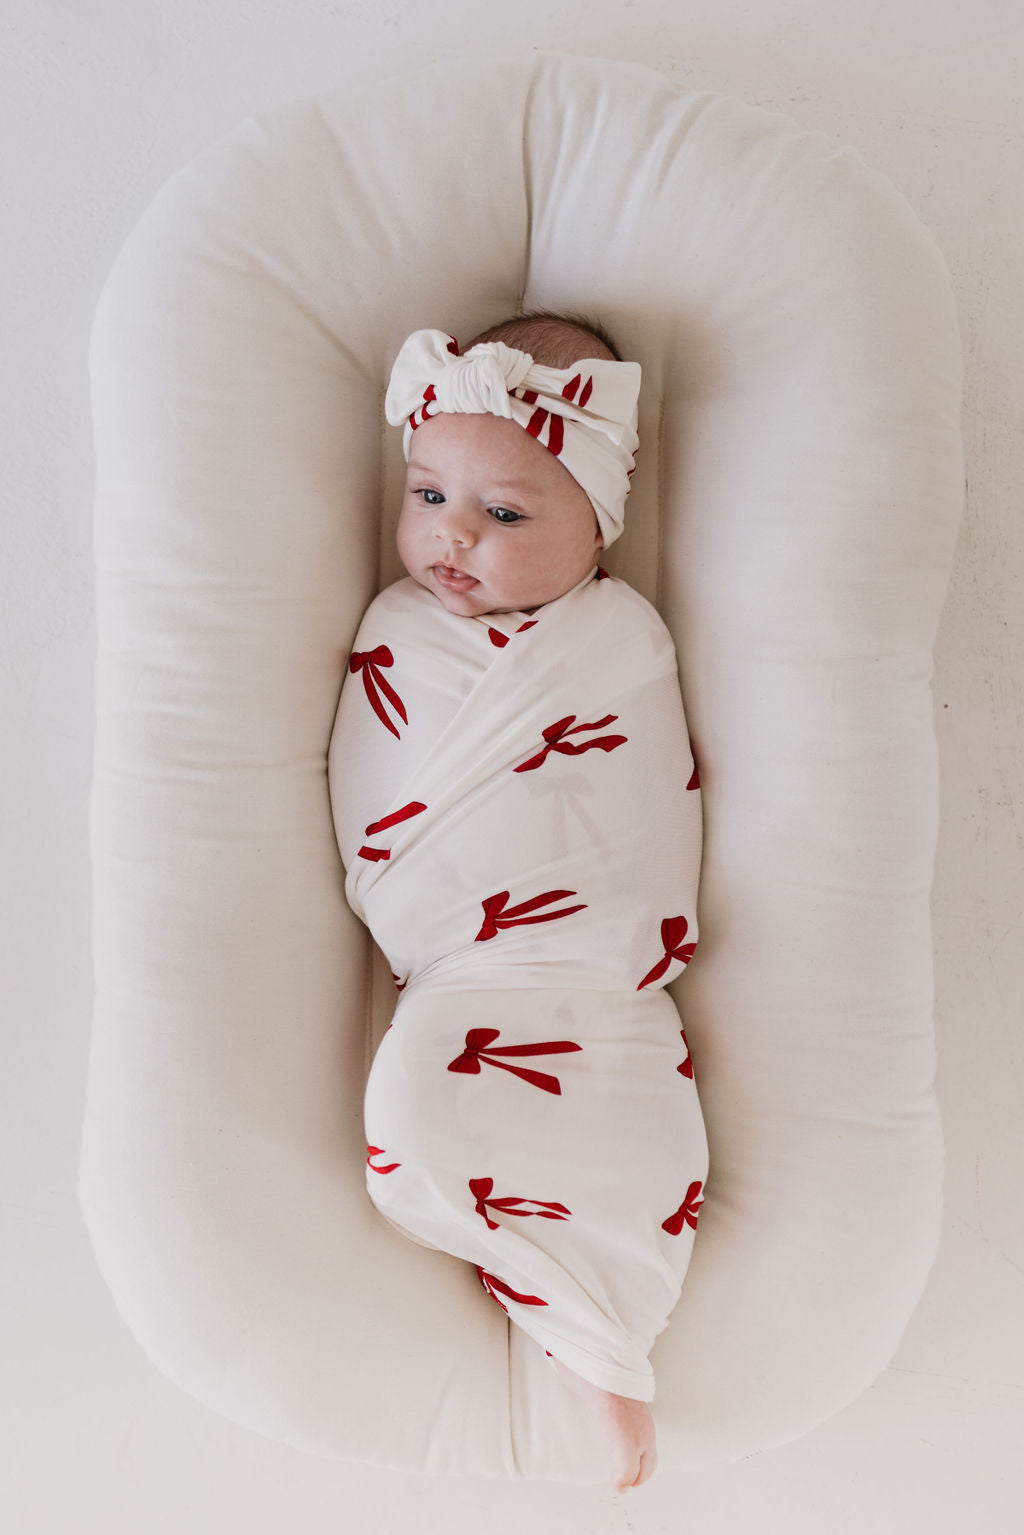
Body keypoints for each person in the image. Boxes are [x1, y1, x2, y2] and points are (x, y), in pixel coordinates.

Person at [327, 311, 707, 1494]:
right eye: (429, 492)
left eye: (504, 515)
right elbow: (380, 789)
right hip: (462, 973)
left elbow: (639, 793)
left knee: (629, 1121)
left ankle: (601, 1348)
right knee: (416, 1120)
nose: (450, 539)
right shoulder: (393, 628)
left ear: (598, 526)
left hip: (598, 969)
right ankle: (565, 1318)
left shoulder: (617, 639)